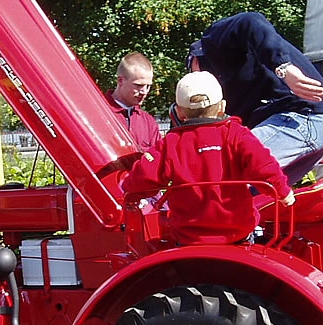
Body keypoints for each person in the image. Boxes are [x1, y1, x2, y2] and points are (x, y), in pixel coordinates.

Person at [190, 12, 323, 184]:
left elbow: (250, 21)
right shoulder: (254, 92)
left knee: (215, 173)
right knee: (255, 195)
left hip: (298, 119)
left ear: (195, 64)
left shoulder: (213, 42)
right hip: (318, 127)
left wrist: (284, 67)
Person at [121, 71, 294, 245]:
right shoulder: (236, 135)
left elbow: (139, 180)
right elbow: (264, 166)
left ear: (179, 112)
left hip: (189, 240)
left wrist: (132, 194)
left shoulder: (170, 144)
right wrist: (283, 192)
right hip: (238, 236)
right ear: (222, 107)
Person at [104, 52, 160, 151]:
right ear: (120, 81)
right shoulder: (100, 113)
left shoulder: (148, 122)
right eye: (138, 85)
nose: (144, 92)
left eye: (148, 86)